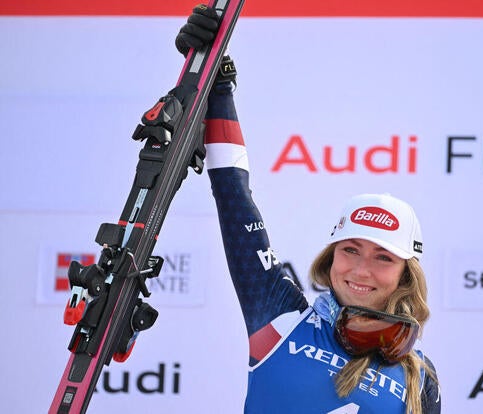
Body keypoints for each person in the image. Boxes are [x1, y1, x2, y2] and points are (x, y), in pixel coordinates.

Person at [175, 5, 441, 413]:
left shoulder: (420, 376)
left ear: (406, 273)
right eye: (350, 249)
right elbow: (233, 195)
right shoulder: (279, 314)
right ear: (330, 255)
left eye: (383, 257)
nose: (360, 269)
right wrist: (213, 81)